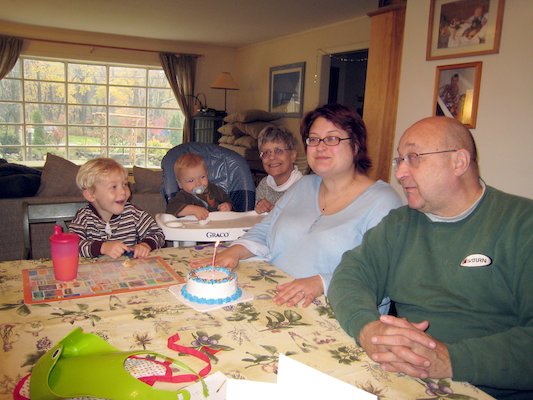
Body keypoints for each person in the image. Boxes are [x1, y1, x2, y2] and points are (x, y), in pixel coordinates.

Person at [328, 116, 533, 399]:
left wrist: (449, 359)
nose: (400, 173)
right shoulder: (400, 224)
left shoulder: (522, 225)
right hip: (406, 380)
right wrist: (368, 329)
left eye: (413, 158)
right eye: (399, 160)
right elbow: (350, 274)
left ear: (458, 162)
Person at [193, 104, 402, 308]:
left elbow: (382, 275)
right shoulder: (304, 185)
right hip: (273, 294)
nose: (320, 146)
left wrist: (321, 282)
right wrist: (236, 250)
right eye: (313, 139)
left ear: (356, 145)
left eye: (332, 138)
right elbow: (266, 229)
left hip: (334, 309)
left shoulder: (382, 201)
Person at [69, 158, 165, 259]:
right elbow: (71, 246)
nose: (123, 192)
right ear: (90, 195)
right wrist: (102, 247)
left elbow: (158, 233)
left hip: (128, 271)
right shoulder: (83, 217)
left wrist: (146, 245)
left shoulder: (133, 213)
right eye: (114, 187)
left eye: (124, 184)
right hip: (94, 272)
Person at [165, 153, 232, 220]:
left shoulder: (215, 189)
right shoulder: (183, 196)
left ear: (207, 175)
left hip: (217, 224)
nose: (198, 184)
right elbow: (170, 209)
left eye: (202, 177)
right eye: (191, 180)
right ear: (180, 184)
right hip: (193, 227)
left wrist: (227, 205)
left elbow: (227, 200)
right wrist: (193, 210)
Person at [254, 126, 303, 214]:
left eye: (279, 151)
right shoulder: (264, 185)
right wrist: (259, 206)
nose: (272, 157)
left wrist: (277, 211)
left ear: (293, 156)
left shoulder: (303, 188)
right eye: (266, 153)